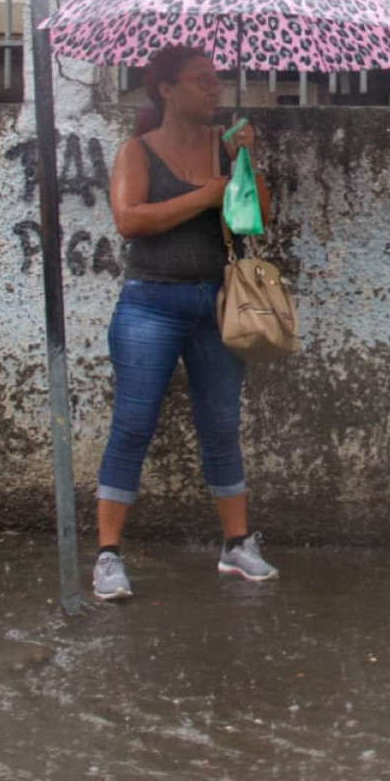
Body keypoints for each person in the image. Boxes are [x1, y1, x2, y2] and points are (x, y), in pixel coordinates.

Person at [91, 44, 277, 600]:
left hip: (217, 305)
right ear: (166, 90)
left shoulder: (225, 153)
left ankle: (236, 546)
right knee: (133, 425)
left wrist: (245, 163)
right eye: (201, 80)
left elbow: (258, 219)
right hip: (150, 303)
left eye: (216, 79)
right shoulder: (137, 151)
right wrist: (207, 196)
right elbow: (129, 220)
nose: (214, 88)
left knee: (221, 424)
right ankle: (107, 557)